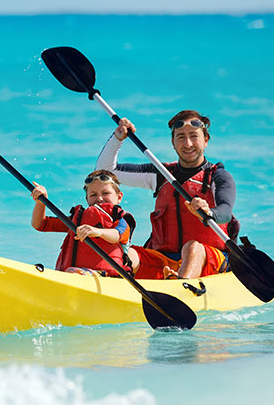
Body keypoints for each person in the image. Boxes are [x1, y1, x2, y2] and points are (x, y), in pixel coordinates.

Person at [95, 110, 236, 280]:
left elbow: (226, 212)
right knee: (127, 254)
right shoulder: (162, 174)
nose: (188, 143)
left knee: (192, 248)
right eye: (181, 137)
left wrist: (209, 213)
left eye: (194, 136)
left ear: (205, 140)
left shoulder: (217, 176)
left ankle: (180, 288)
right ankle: (105, 282)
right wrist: (117, 138)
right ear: (173, 142)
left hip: (210, 260)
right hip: (164, 260)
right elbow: (106, 172)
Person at [30, 169, 140, 277]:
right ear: (87, 199)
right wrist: (41, 202)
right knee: (71, 273)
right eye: (93, 195)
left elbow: (117, 235)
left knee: (74, 273)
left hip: (108, 278)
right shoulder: (78, 220)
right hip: (73, 274)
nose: (99, 198)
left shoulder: (120, 218)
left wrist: (98, 232)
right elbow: (40, 224)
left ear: (119, 197)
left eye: (105, 193)